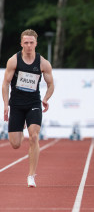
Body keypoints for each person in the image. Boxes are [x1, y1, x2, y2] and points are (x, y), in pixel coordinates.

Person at [2, 29, 54, 187]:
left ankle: (31, 175)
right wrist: (5, 105)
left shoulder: (43, 63)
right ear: (21, 44)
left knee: (34, 136)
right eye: (26, 43)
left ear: (36, 43)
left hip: (34, 104)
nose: (29, 45)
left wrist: (45, 98)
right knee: (15, 144)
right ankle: (22, 124)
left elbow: (51, 84)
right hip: (16, 105)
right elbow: (5, 84)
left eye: (32, 42)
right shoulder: (14, 61)